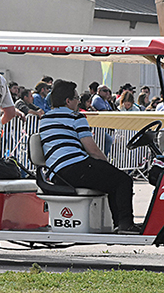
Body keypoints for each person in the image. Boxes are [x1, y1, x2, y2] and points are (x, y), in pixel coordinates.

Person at [39, 80, 140, 234]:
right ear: (68, 101)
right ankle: (125, 224)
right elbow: (92, 149)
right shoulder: (76, 117)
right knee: (123, 180)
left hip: (56, 173)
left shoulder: (45, 119)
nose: (79, 101)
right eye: (76, 98)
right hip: (74, 167)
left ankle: (120, 224)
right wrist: (108, 165)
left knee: (112, 180)